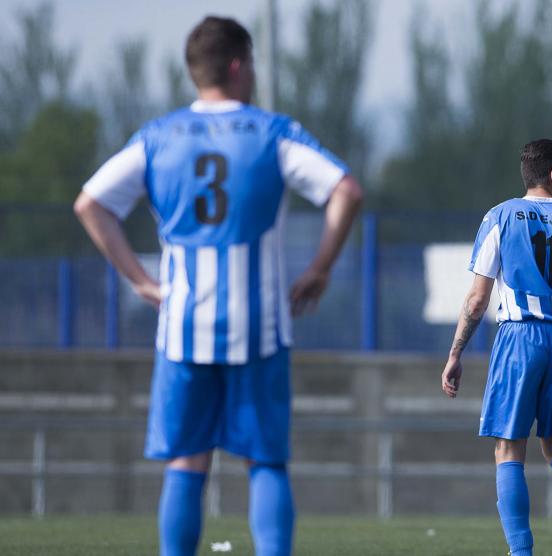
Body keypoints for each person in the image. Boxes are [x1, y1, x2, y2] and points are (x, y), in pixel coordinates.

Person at [74, 16, 363, 556]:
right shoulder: (272, 131)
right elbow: (345, 189)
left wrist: (139, 280)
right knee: (265, 459)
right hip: (259, 323)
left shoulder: (158, 137)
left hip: (183, 321)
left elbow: (90, 204)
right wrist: (320, 267)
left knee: (186, 459)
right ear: (238, 64)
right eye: (251, 62)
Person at [441, 139, 552, 556]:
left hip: (520, 338)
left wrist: (455, 353)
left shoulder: (500, 217)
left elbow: (477, 299)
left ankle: (521, 552)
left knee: (508, 447)